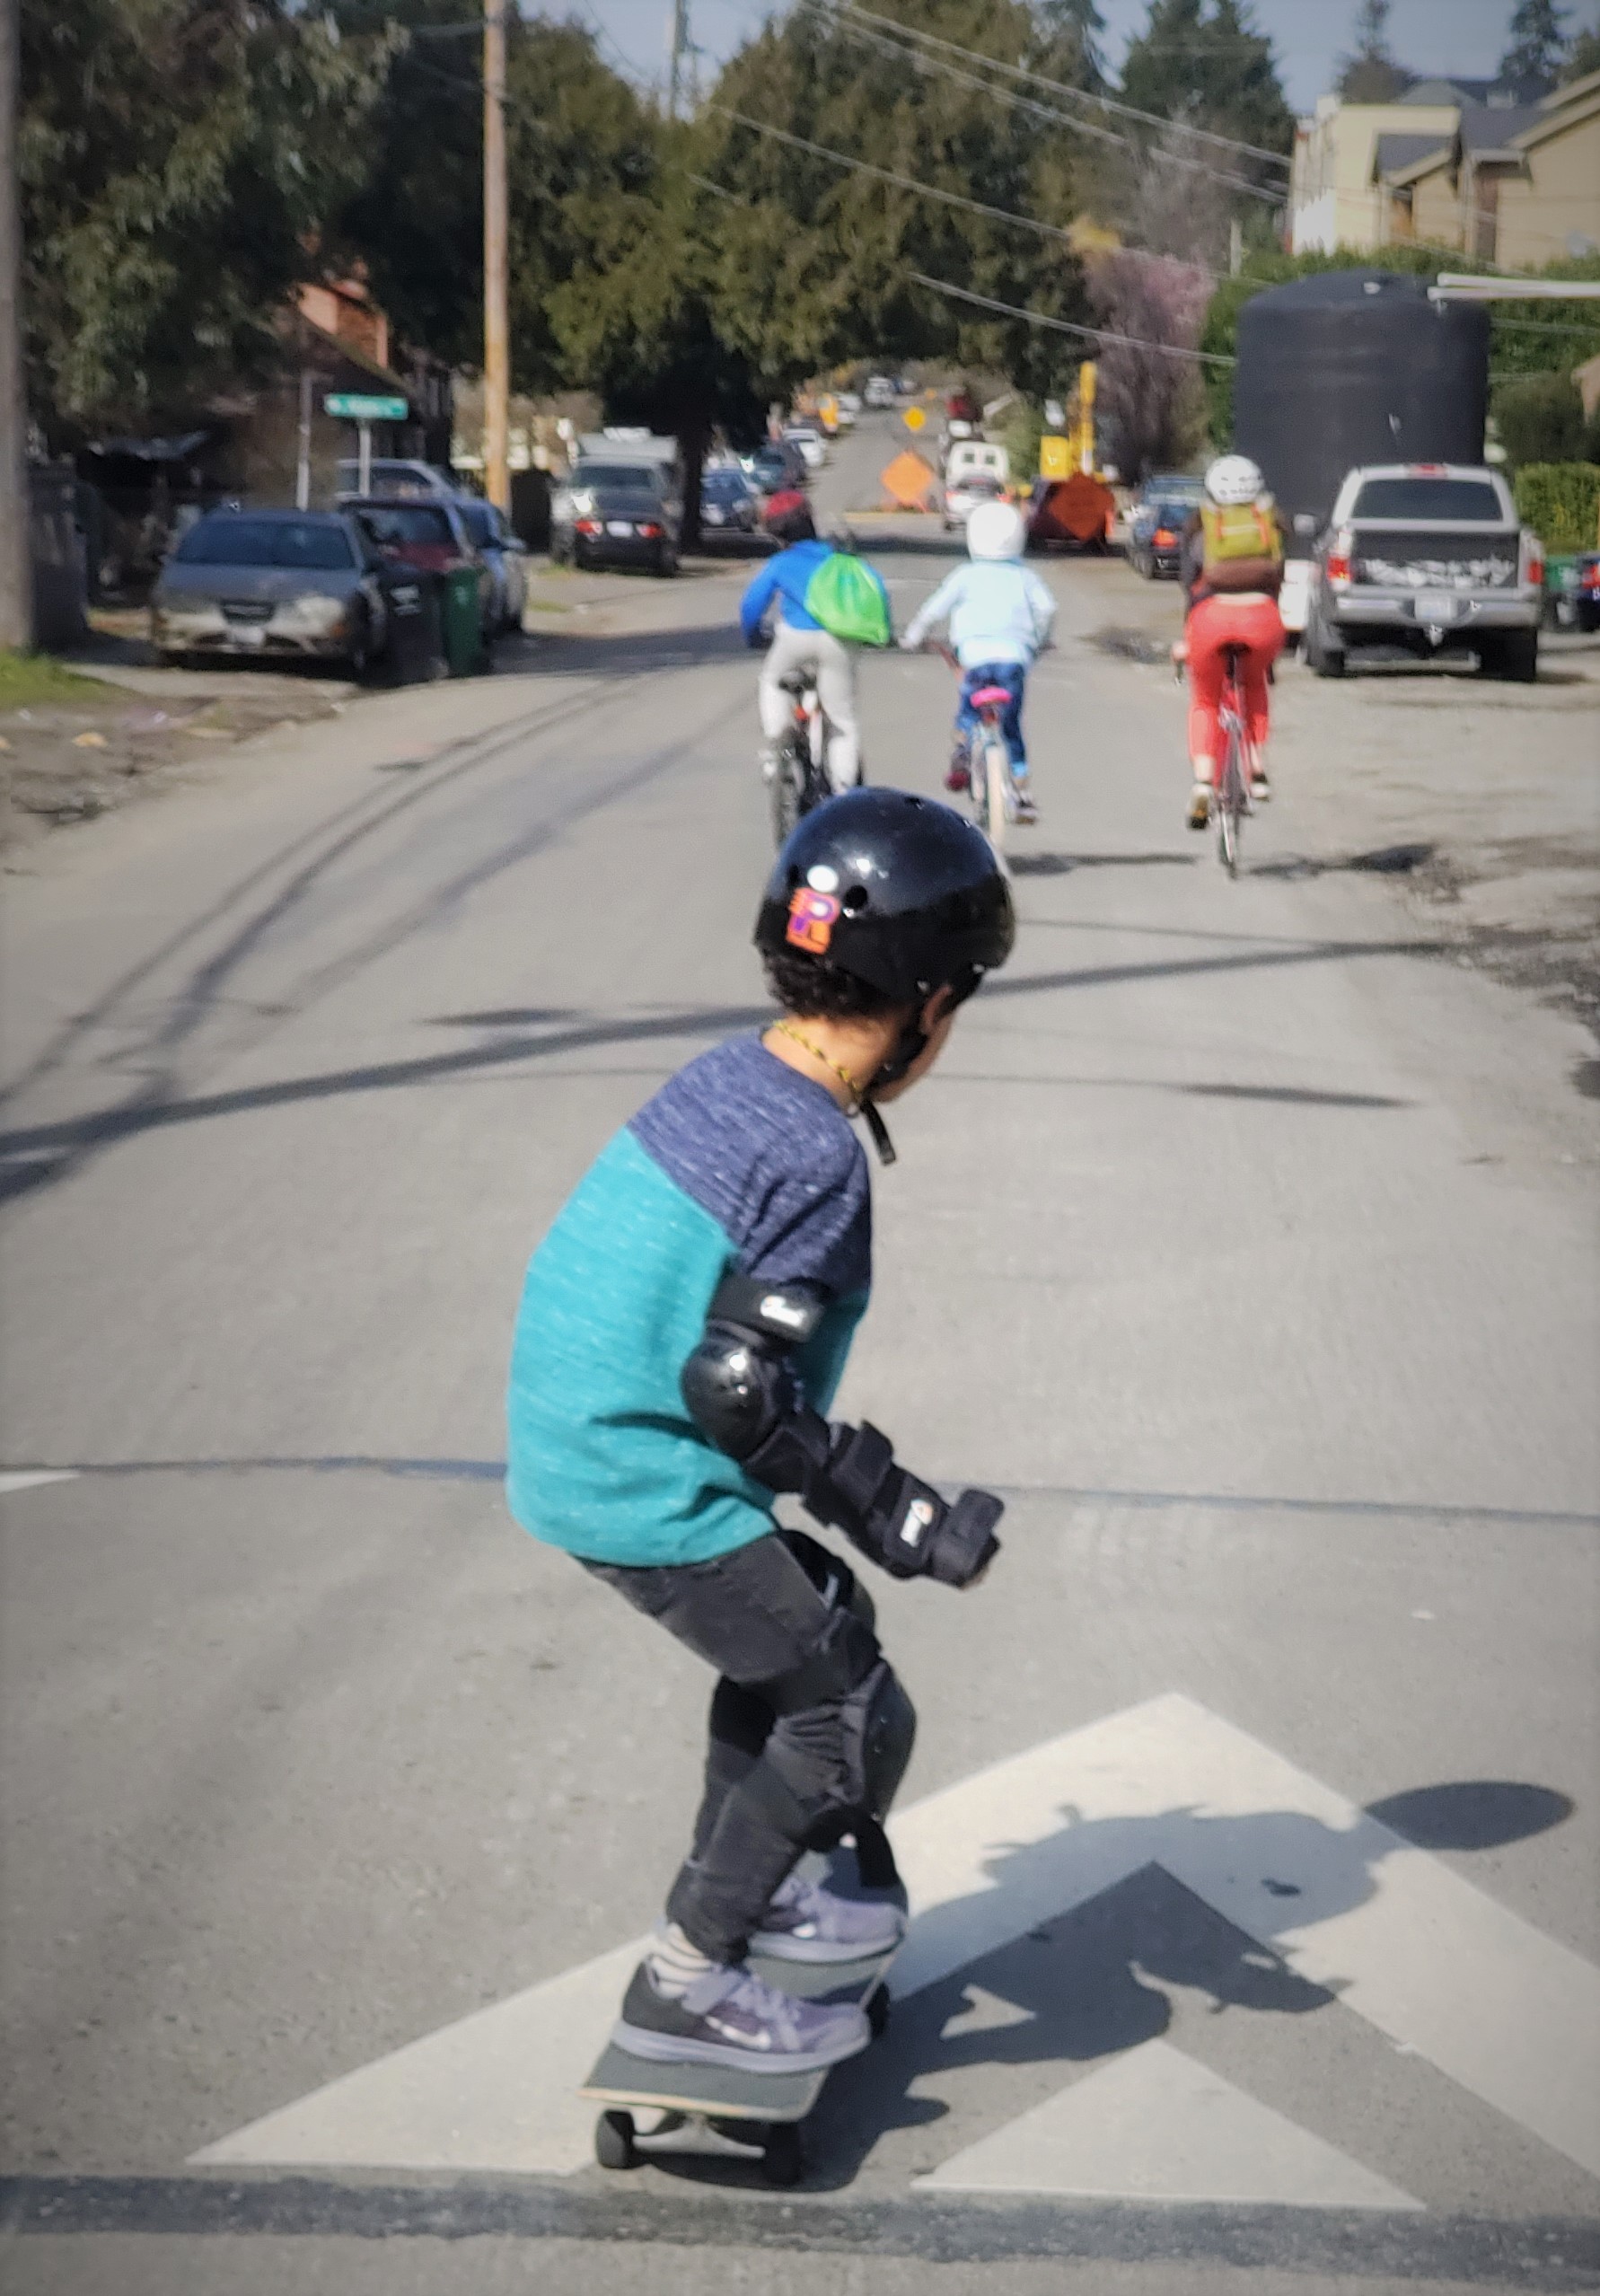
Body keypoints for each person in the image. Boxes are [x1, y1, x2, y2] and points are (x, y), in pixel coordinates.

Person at [505, 789, 1014, 2075]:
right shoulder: (817, 1154)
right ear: (926, 1007)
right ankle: (689, 1980)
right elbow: (736, 1387)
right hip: (637, 1474)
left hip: (581, 1439)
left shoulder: (731, 1073)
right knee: (851, 1717)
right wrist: (889, 1505)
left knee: (800, 1641)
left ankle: (755, 1888)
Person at [900, 499, 1056, 827]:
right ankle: (1023, 794)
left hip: (974, 658)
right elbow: (1048, 609)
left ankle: (961, 754)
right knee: (1011, 727)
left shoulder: (965, 575)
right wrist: (1039, 640)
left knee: (969, 711)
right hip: (1014, 660)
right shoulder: (1025, 577)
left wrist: (913, 636)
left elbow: (934, 609)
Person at [739, 498, 890, 796]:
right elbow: (877, 592)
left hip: (794, 640)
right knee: (841, 720)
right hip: (839, 642)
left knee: (771, 681)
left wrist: (753, 636)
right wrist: (879, 634)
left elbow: (751, 606)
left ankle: (777, 747)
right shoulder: (842, 559)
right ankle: (845, 794)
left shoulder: (781, 562)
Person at [1176, 454, 1285, 831]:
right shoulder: (1271, 523)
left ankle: (1205, 780)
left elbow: (1189, 587)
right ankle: (1255, 770)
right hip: (1263, 619)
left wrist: (1185, 639)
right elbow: (1278, 580)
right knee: (1253, 684)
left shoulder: (1199, 526)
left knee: (1205, 700)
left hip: (1211, 621)